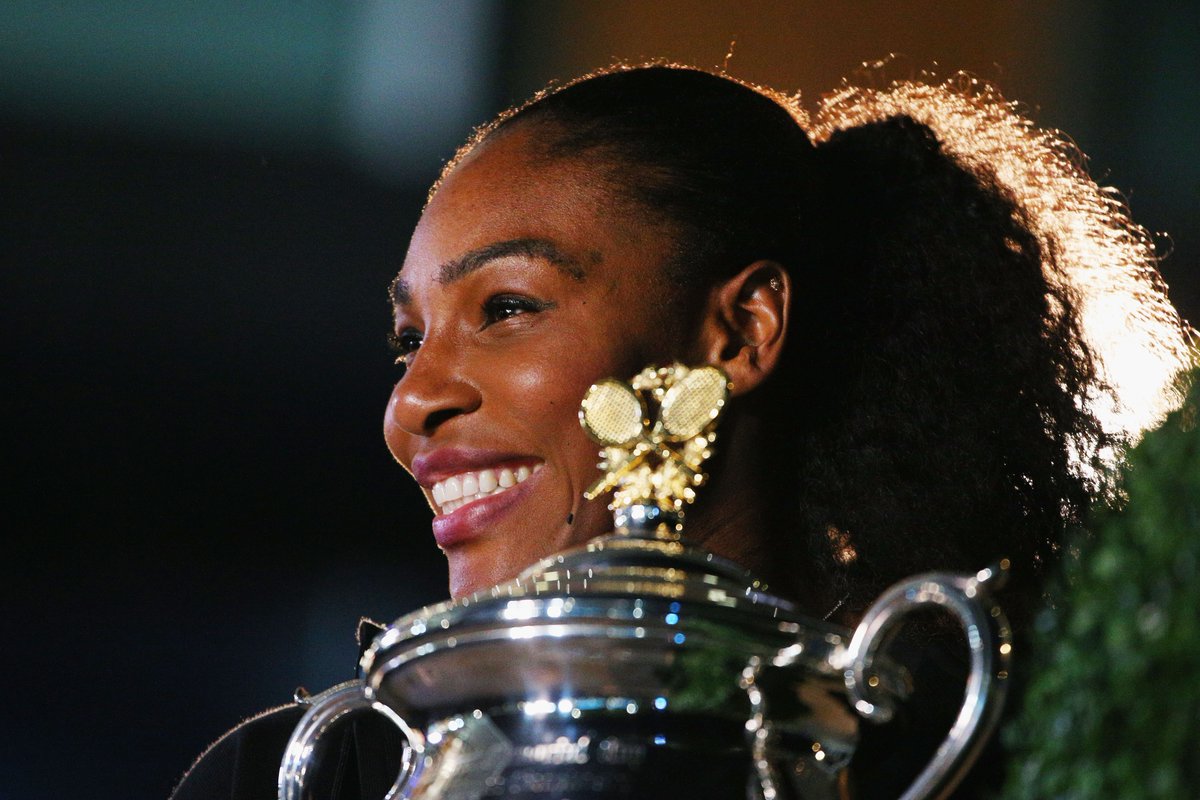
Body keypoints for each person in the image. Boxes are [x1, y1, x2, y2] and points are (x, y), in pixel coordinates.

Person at [172, 63, 1194, 799]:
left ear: (742, 331)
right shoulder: (309, 774)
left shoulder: (982, 757)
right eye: (409, 339)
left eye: (507, 308)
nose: (412, 404)